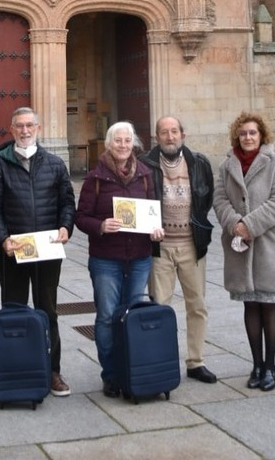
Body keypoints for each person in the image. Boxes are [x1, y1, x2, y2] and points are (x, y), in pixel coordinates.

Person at [0, 106, 76, 397]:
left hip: (47, 251)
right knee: (14, 309)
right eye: (19, 126)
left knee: (48, 310)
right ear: (11, 130)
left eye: (30, 126)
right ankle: (16, 369)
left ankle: (52, 370)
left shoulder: (55, 164)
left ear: (38, 128)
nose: (24, 131)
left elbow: (67, 202)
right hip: (14, 251)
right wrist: (3, 239)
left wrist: (65, 227)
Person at [75, 122, 164, 397]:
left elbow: (153, 213)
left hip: (139, 257)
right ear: (109, 144)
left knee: (132, 315)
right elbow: (81, 217)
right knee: (105, 317)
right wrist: (101, 226)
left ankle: (131, 369)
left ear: (133, 144)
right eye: (118, 141)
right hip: (106, 259)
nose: (123, 145)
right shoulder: (96, 178)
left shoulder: (146, 175)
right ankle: (111, 374)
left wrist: (156, 230)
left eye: (127, 141)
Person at [213, 112, 275, 391]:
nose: (248, 137)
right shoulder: (226, 166)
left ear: (262, 136)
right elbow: (220, 200)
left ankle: (271, 366)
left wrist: (250, 225)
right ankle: (256, 364)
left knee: (269, 303)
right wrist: (235, 224)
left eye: (253, 133)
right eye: (243, 133)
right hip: (239, 246)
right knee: (250, 305)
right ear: (237, 136)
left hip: (268, 244)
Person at [140, 116, 216, 383]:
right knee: (161, 306)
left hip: (191, 245)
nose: (170, 137)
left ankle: (196, 362)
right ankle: (164, 361)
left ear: (183, 135)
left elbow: (206, 199)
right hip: (160, 247)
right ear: (156, 136)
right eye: (164, 132)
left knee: (198, 306)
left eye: (174, 132)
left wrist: (195, 225)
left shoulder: (199, 163)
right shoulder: (145, 164)